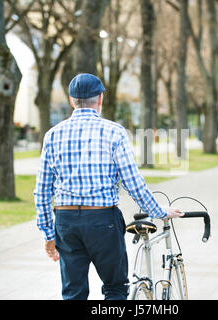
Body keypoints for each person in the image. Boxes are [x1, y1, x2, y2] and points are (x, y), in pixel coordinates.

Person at [33, 73, 183, 300]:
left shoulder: (52, 135)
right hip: (103, 222)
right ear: (100, 99)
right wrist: (159, 211)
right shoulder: (114, 132)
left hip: (66, 222)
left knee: (73, 294)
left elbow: (42, 190)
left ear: (72, 101)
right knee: (114, 289)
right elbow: (133, 183)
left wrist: (48, 234)